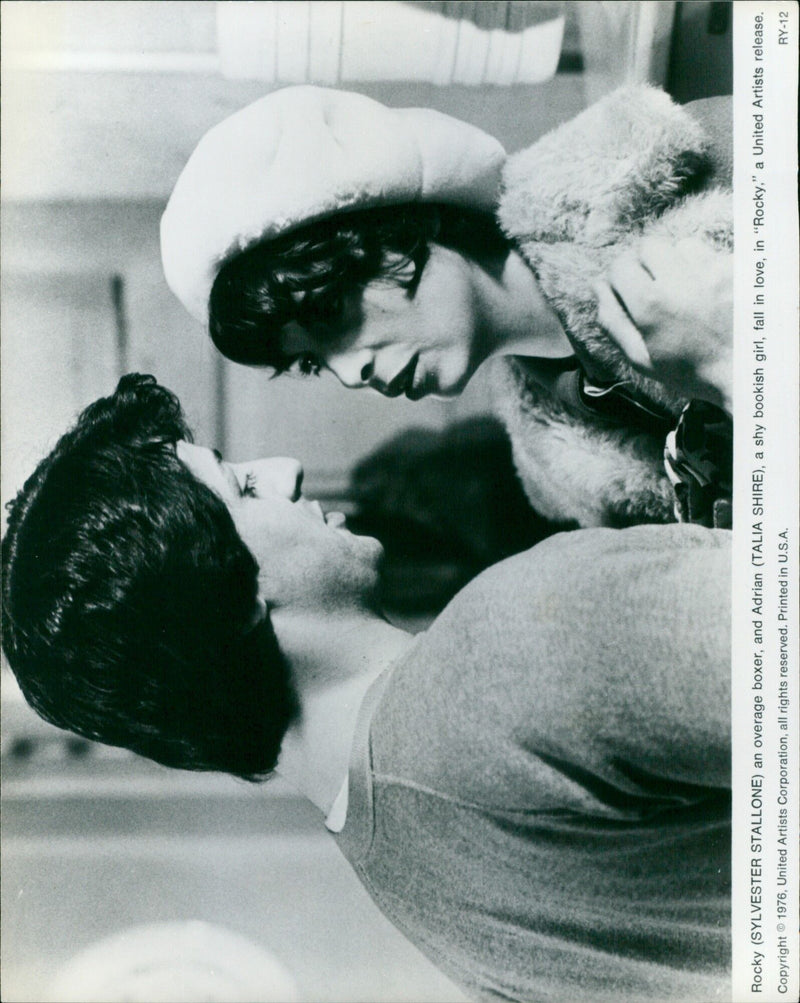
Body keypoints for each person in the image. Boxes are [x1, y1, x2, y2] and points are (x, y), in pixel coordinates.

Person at [3, 374, 731, 1002]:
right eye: (245, 485)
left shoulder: (394, 864)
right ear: (230, 597)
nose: (287, 468)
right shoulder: (504, 648)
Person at [161, 84, 733, 530]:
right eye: (313, 362)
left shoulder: (671, 162)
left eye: (331, 310)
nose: (349, 373)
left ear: (411, 221)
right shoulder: (558, 473)